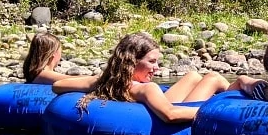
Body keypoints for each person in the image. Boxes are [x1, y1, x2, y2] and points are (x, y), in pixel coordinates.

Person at [52, 32, 229, 123]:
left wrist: (96, 80)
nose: (157, 68)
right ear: (132, 61)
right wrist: (214, 112)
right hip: (164, 112)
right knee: (213, 78)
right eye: (151, 61)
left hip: (154, 103)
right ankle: (246, 100)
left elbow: (57, 85)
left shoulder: (104, 82)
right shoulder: (145, 88)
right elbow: (171, 115)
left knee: (193, 75)